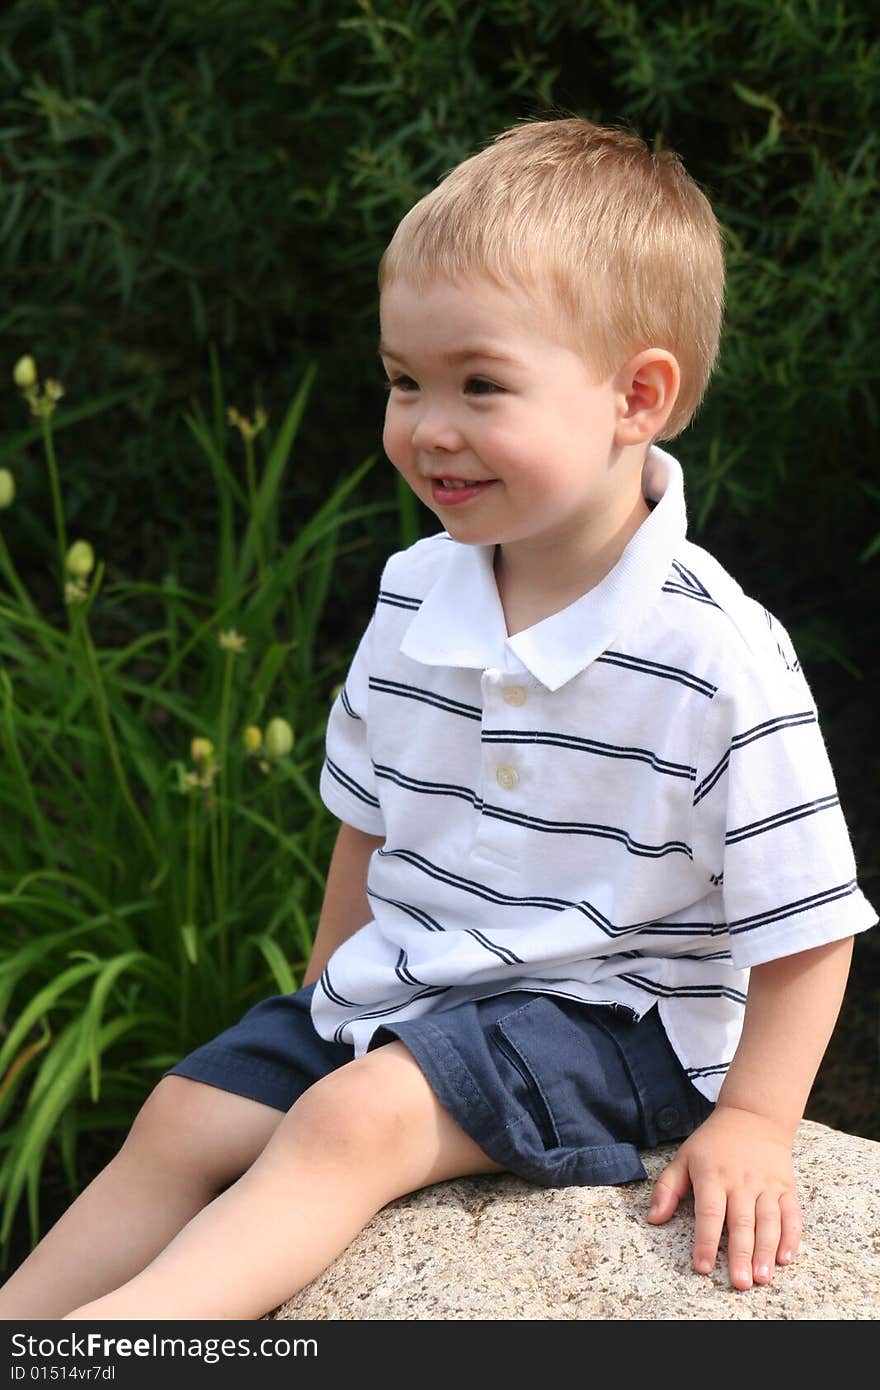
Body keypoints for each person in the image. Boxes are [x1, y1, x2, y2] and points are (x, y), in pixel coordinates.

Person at [1, 117, 875, 1323]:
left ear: (637, 395)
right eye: (404, 380)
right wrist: (321, 1007)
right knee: (187, 1110)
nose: (428, 426)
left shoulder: (711, 651)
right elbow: (369, 825)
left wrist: (755, 1121)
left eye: (479, 383)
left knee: (354, 1118)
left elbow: (808, 920)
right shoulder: (417, 592)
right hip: (417, 989)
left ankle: (121, 1346)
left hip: (617, 1026)